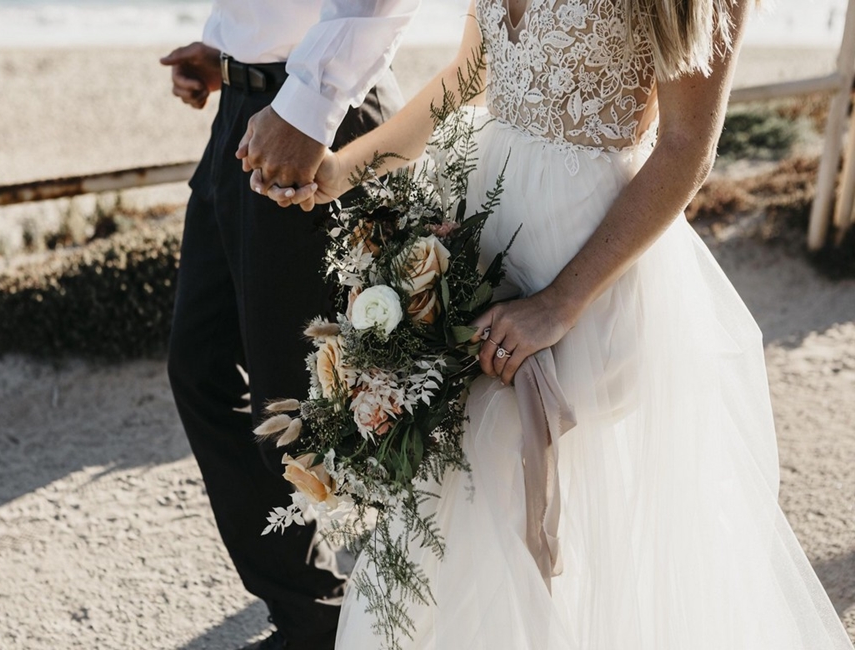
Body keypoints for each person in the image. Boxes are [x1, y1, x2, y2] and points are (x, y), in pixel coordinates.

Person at [256, 0, 855, 648]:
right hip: (484, 236)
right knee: (456, 503)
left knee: (531, 495)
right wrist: (346, 168)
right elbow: (468, 75)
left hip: (588, 263)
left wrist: (560, 303)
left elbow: (688, 149)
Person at [160, 2, 418, 649]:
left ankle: (402, 615)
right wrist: (229, 49)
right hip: (245, 109)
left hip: (316, 115)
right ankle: (313, 617)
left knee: (319, 405)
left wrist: (308, 104)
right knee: (201, 368)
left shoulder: (312, 103)